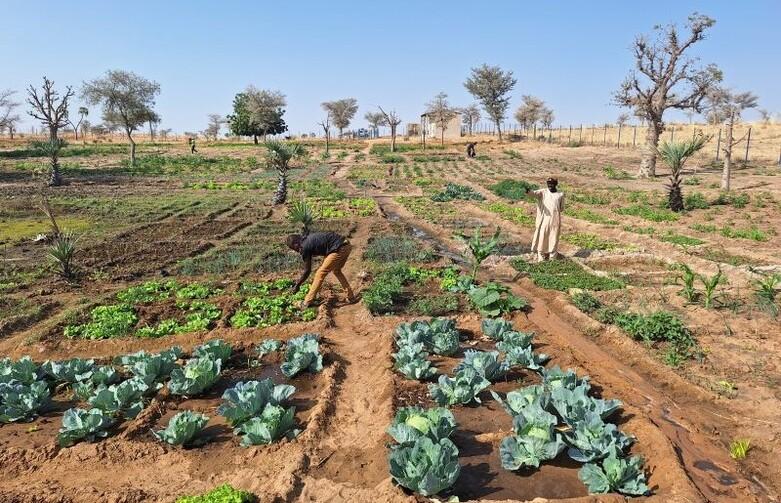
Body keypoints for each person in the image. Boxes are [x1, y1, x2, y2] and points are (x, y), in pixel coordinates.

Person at [286, 231, 356, 308]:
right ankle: (351, 297)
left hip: (338, 249)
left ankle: (307, 302)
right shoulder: (307, 239)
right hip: (346, 245)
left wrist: (297, 285)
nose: (295, 251)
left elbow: (307, 270)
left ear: (295, 244)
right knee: (337, 271)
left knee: (320, 273)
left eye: (293, 248)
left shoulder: (304, 247)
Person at [527, 178, 564, 262]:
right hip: (544, 219)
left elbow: (561, 208)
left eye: (552, 184)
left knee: (553, 237)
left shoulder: (560, 194)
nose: (550, 185)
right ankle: (541, 255)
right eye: (548, 183)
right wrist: (528, 191)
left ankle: (552, 257)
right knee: (543, 235)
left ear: (555, 184)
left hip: (555, 220)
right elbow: (533, 194)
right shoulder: (543, 192)